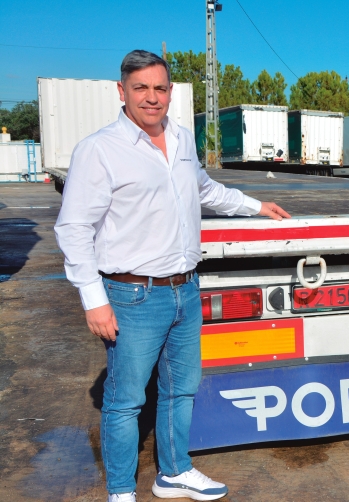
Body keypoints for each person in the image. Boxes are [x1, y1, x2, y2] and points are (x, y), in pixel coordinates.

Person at [54, 50, 291, 502]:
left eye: (160, 88)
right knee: (125, 401)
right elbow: (73, 228)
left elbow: (204, 190)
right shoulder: (100, 149)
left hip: (185, 288)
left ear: (170, 93)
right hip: (131, 294)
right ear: (121, 92)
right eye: (141, 88)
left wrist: (255, 206)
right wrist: (93, 298)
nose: (151, 98)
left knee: (180, 390)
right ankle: (121, 492)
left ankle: (174, 473)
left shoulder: (182, 139)